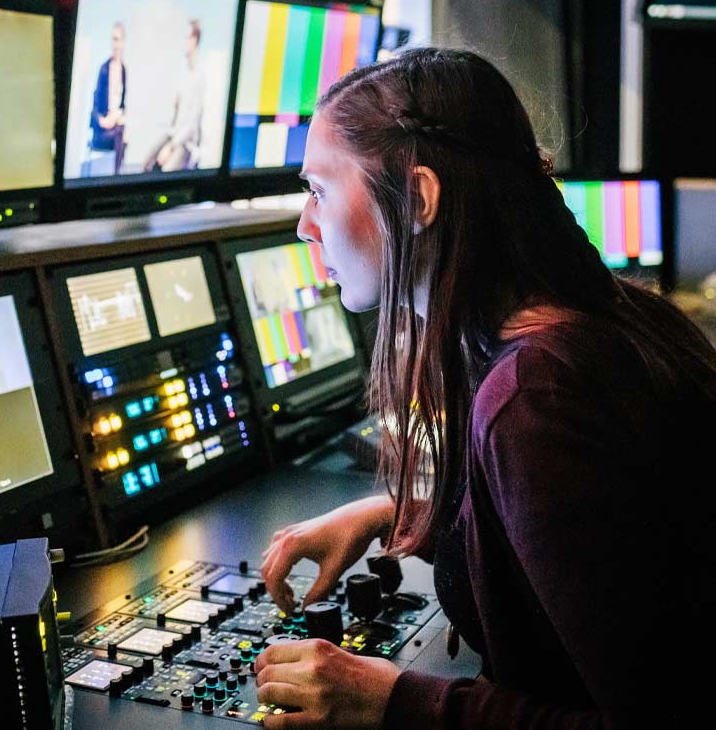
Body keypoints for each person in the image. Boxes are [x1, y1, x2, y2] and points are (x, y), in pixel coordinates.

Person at [254, 48, 716, 728]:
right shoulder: (613, 317)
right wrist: (399, 517)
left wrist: (393, 700)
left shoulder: (534, 397)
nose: (306, 224)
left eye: (319, 190)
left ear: (416, 200)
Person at [143, 19, 205, 172]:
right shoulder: (183, 73)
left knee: (167, 171)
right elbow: (174, 114)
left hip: (186, 144)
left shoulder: (200, 77)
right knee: (146, 164)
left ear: (194, 40)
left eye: (186, 37)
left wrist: (170, 147)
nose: (183, 42)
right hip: (173, 135)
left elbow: (190, 125)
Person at [89, 21, 127, 174]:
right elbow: (96, 104)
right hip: (103, 129)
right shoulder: (104, 69)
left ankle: (116, 175)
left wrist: (119, 115)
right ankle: (114, 177)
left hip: (117, 127)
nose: (115, 44)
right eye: (113, 39)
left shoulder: (123, 70)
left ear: (123, 42)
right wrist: (102, 120)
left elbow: (123, 104)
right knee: (121, 133)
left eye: (117, 39)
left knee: (123, 130)